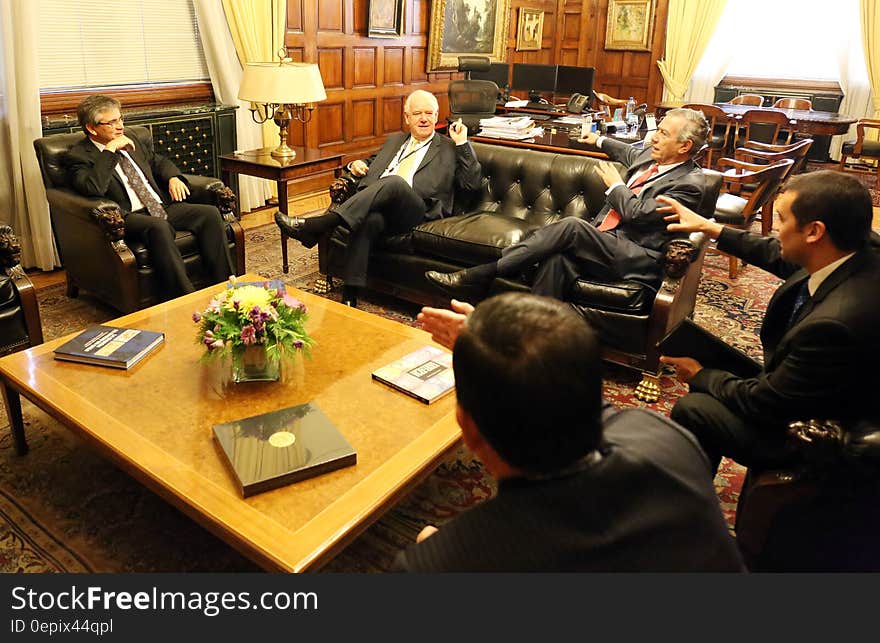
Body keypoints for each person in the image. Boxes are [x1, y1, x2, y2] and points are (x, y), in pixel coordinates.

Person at [392, 293, 745, 572]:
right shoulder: (666, 438)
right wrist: (491, 349)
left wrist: (433, 552)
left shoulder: (439, 563)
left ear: (467, 428)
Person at [658, 170, 880, 473]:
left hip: (813, 434)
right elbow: (777, 254)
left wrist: (700, 375)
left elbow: (768, 405)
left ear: (814, 231)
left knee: (694, 408)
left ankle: (684, 505)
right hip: (813, 387)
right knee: (713, 372)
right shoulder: (854, 249)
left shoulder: (833, 325)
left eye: (782, 218)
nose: (775, 228)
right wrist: (710, 228)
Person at [424, 107, 710, 302]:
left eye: (663, 133)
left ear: (684, 146)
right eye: (657, 130)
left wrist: (616, 186)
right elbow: (628, 152)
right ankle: (530, 332)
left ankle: (483, 272)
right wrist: (598, 140)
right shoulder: (652, 156)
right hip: (606, 244)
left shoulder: (690, 185)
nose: (654, 137)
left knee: (574, 227)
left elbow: (638, 214)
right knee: (556, 258)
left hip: (639, 257)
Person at [275, 89, 482, 308]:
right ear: (407, 118)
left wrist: (462, 143)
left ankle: (319, 224)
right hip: (381, 205)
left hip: (417, 209)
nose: (424, 118)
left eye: (429, 113)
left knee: (394, 182)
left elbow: (471, 185)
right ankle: (350, 294)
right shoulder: (395, 140)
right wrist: (353, 165)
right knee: (368, 220)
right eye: (418, 113)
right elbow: (372, 162)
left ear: (437, 115)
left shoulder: (449, 147)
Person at [66, 95, 233, 298]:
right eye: (111, 122)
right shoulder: (78, 156)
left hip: (159, 205)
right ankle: (183, 296)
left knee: (209, 214)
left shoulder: (132, 138)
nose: (119, 127)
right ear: (92, 128)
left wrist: (173, 177)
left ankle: (226, 285)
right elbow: (94, 188)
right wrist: (109, 151)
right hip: (127, 215)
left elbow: (158, 161)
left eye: (120, 119)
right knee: (159, 226)